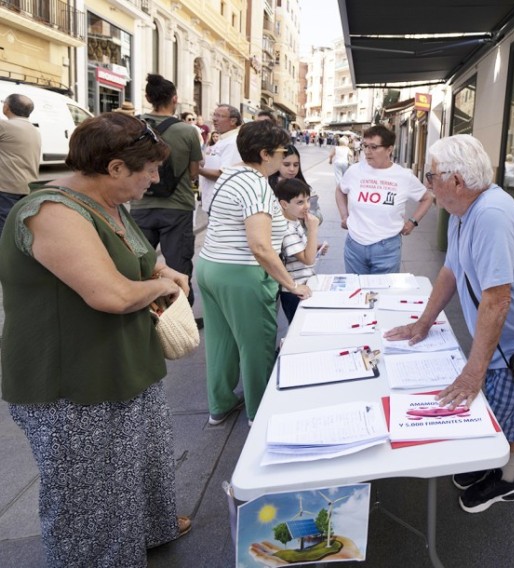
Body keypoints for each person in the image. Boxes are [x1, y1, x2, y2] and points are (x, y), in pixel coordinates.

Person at [0, 112, 193, 566]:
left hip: (123, 365)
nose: (155, 178)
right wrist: (162, 287)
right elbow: (111, 294)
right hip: (73, 380)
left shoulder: (107, 203)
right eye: (149, 169)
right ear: (115, 168)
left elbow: (135, 262)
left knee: (139, 464)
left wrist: (162, 270)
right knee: (89, 493)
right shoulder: (52, 212)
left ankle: (148, 530)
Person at [385, 134, 514, 514]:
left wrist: (474, 370)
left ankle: (508, 479)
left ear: (456, 181)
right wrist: (423, 323)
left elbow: (497, 299)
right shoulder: (462, 211)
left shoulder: (490, 215)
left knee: (509, 411)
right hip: (507, 335)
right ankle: (491, 463)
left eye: (431, 175)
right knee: (491, 405)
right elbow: (451, 271)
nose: (427, 183)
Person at [196, 120, 311, 426]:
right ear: (264, 154)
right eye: (279, 152)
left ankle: (219, 405)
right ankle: (259, 414)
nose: (283, 157)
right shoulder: (257, 184)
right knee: (257, 344)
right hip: (242, 273)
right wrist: (291, 284)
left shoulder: (232, 174)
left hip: (210, 266)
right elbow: (260, 246)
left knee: (221, 341)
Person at [131, 74, 203, 311]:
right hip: (178, 206)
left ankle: (144, 310)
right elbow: (194, 172)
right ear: (175, 99)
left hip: (140, 204)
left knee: (137, 263)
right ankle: (181, 315)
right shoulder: (188, 131)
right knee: (179, 264)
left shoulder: (134, 126)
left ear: (147, 98)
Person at [335, 124, 434, 274]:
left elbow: (427, 198)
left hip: (387, 249)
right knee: (355, 291)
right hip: (355, 246)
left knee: (384, 294)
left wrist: (413, 222)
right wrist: (344, 215)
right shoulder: (355, 170)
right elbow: (340, 190)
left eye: (374, 147)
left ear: (389, 149)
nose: (367, 152)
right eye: (365, 146)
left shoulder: (403, 176)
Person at [273, 178, 326, 322]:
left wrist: (314, 247)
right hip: (295, 290)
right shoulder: (287, 228)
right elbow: (308, 260)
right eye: (300, 202)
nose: (307, 206)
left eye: (308, 200)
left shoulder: (294, 220)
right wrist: (313, 230)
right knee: (300, 327)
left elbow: (299, 252)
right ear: (284, 204)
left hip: (303, 285)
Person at [0, 93, 41, 236]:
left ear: (7, 107)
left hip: (6, 188)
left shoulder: (4, 125)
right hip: (26, 187)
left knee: (4, 229)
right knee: (18, 226)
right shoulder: (34, 129)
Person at [199, 104, 242, 212]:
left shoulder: (233, 142)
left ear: (233, 121)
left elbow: (224, 174)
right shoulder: (223, 140)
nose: (214, 119)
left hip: (222, 205)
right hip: (212, 202)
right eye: (214, 115)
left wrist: (197, 169)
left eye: (220, 116)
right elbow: (211, 163)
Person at [267, 143, 322, 224]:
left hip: (301, 234)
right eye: (286, 164)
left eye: (296, 165)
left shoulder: (306, 188)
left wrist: (306, 216)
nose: (292, 169)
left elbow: (319, 217)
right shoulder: (267, 187)